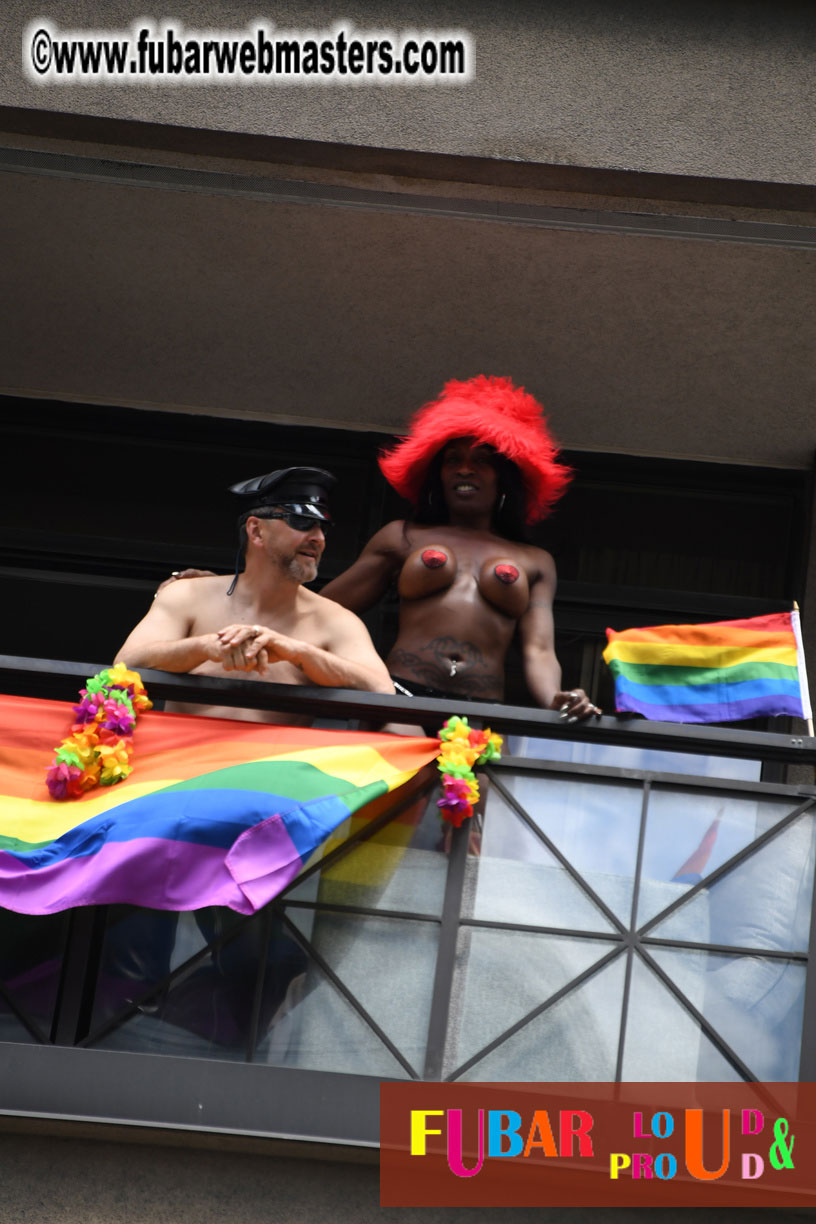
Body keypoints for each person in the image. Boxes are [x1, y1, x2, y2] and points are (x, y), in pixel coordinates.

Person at [320, 376, 600, 721]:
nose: (465, 468)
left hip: (482, 709)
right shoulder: (402, 537)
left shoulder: (535, 561)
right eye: (452, 460)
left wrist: (557, 700)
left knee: (483, 779)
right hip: (401, 698)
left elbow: (539, 650)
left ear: (504, 477)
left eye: (482, 460)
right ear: (437, 474)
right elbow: (325, 612)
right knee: (407, 776)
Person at [117, 466, 394, 721]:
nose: (318, 538)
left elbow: (382, 689)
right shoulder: (187, 595)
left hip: (278, 770)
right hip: (181, 767)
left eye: (322, 527)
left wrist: (298, 652)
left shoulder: (336, 620)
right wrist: (205, 647)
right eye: (301, 522)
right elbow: (124, 664)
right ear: (256, 531)